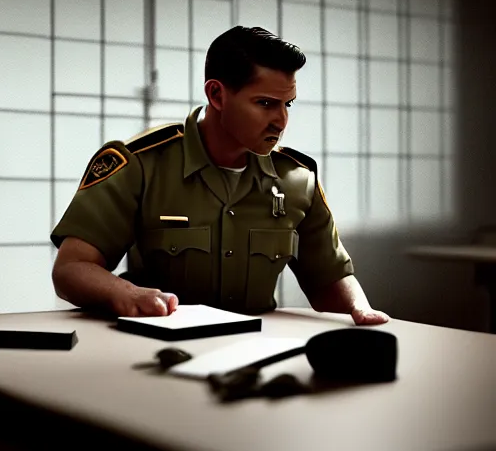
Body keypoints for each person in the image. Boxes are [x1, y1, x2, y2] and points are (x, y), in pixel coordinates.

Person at [50, 26, 390, 326]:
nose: (281, 121)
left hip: (252, 353)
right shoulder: (141, 164)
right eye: (266, 103)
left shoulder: (296, 178)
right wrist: (125, 294)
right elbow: (71, 269)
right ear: (217, 95)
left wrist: (360, 309)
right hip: (158, 348)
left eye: (288, 104)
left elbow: (328, 279)